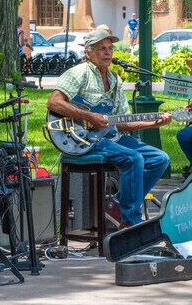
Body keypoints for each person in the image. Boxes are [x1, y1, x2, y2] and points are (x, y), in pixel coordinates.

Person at [46, 30, 172, 228]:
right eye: (101, 48)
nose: (107, 52)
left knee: (159, 159)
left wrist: (153, 123)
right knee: (133, 158)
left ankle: (118, 203)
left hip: (109, 136)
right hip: (81, 139)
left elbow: (120, 122)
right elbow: (53, 103)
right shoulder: (79, 72)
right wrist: (88, 116)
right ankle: (130, 222)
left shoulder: (114, 80)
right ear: (88, 53)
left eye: (110, 48)